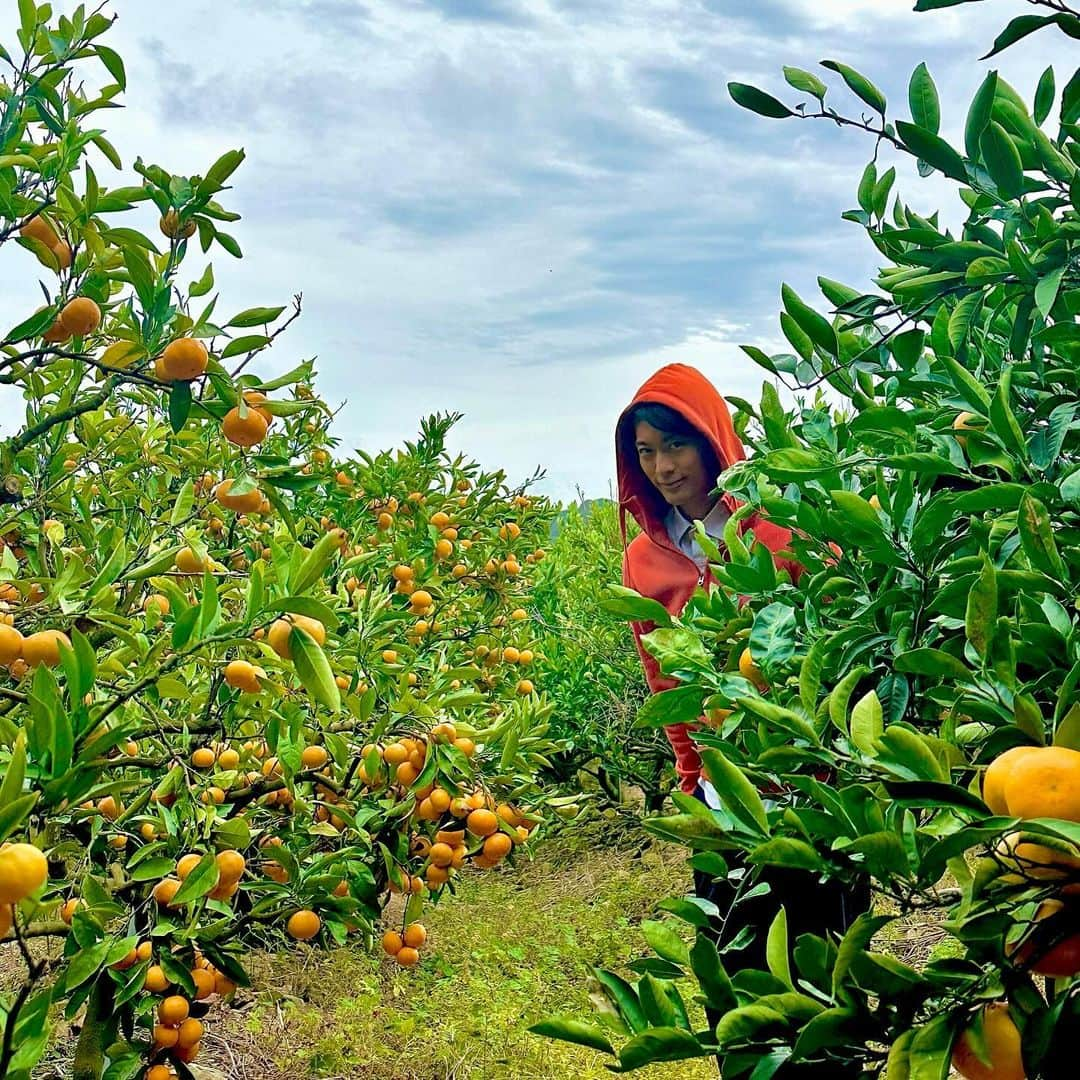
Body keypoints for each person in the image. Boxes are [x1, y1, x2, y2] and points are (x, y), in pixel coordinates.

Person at [616, 363, 869, 1077]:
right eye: (645, 453)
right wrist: (692, 778)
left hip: (813, 789)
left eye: (675, 446)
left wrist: (839, 763)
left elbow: (845, 639)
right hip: (727, 804)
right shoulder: (646, 559)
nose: (663, 467)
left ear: (713, 440)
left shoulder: (783, 526)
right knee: (740, 996)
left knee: (827, 987)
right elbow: (662, 674)